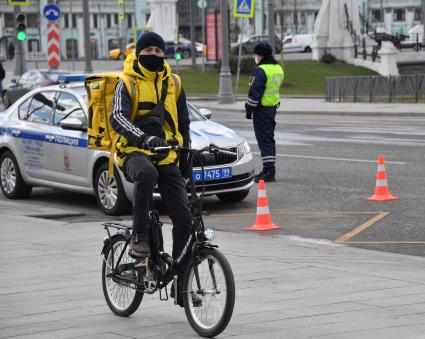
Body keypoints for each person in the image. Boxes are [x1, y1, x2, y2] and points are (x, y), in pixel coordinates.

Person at [110, 32, 194, 289]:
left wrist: (186, 158)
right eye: (149, 50)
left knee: (185, 218)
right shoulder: (126, 82)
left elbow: (184, 123)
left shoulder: (175, 83)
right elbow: (117, 118)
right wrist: (143, 138)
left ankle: (181, 282)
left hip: (166, 154)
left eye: (159, 51)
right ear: (139, 53)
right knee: (147, 174)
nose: (154, 55)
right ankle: (140, 235)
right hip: (133, 152)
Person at [245, 42, 284, 183]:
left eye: (256, 54)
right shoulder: (277, 68)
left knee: (264, 140)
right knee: (269, 138)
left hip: (261, 110)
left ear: (260, 55)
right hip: (272, 108)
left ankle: (268, 171)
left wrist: (249, 110)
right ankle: (269, 168)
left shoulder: (260, 70)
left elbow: (255, 93)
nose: (255, 57)